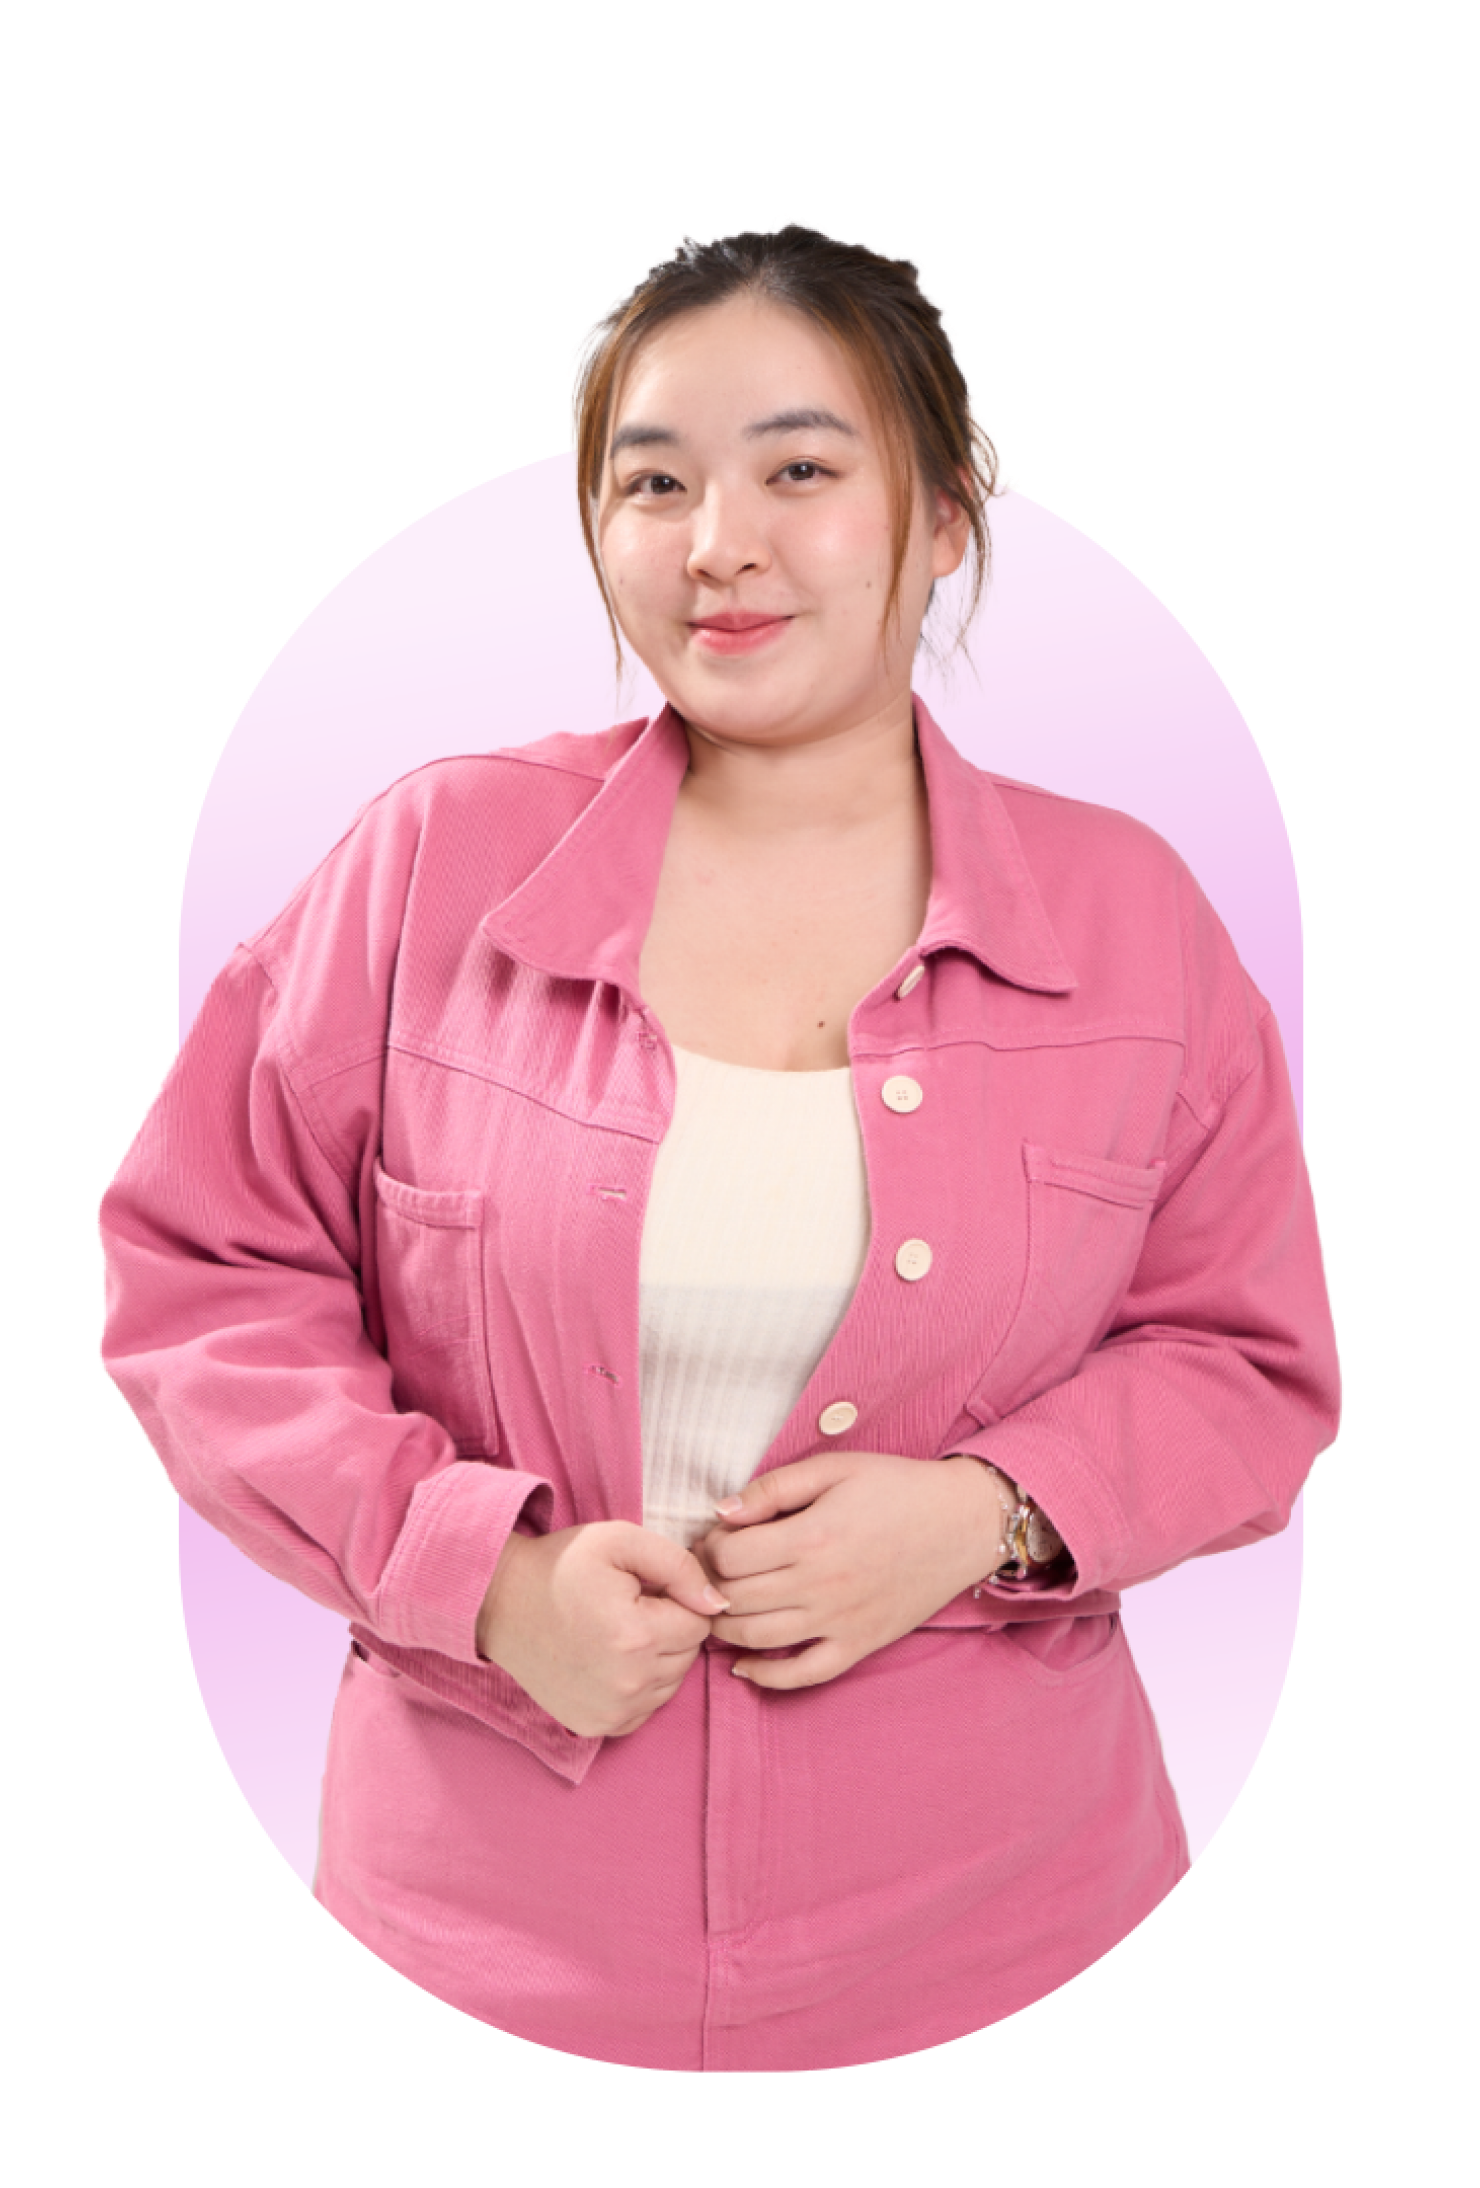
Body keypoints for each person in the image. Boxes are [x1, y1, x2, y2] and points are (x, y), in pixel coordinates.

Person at [96, 216, 1341, 2072]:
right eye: (653, 481)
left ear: (944, 512)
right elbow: (206, 1280)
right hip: (477, 1930)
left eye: (801, 472)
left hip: (1016, 1921)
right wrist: (486, 1579)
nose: (717, 544)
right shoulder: (430, 862)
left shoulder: (1135, 919)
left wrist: (988, 1514)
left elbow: (1248, 1359)